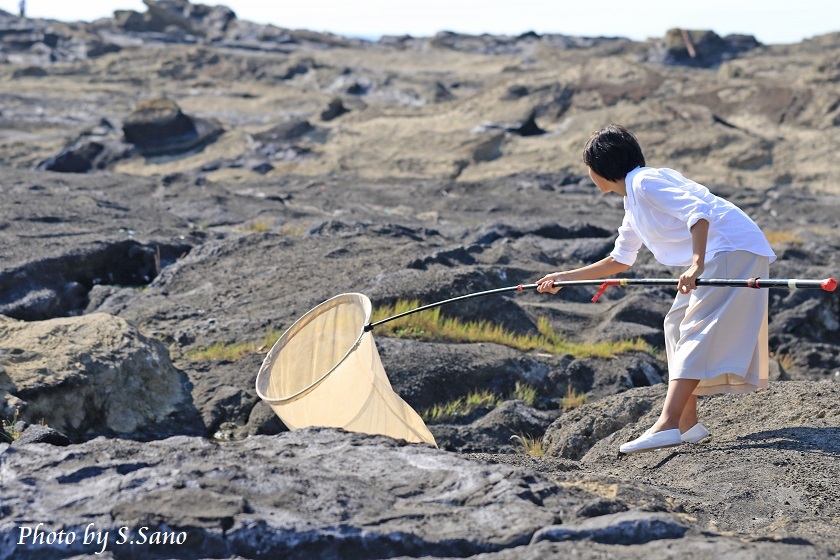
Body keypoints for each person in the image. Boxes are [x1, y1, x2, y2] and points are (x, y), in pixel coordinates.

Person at [537, 124, 776, 454]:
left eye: (588, 167)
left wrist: (695, 264)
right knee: (676, 325)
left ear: (601, 168)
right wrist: (564, 277)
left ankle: (666, 424)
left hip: (731, 249)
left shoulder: (646, 182)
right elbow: (619, 260)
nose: (588, 173)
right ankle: (686, 424)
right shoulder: (633, 200)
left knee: (694, 329)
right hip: (724, 252)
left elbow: (699, 212)